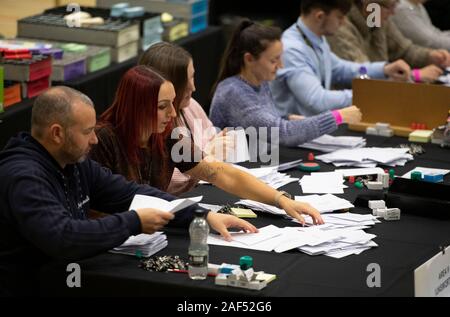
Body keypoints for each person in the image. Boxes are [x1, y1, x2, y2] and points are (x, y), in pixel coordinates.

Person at [0, 86, 257, 296]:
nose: (94, 140)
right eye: (87, 132)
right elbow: (64, 238)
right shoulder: (25, 177)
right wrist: (133, 222)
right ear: (57, 133)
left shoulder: (71, 162)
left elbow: (128, 193)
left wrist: (200, 215)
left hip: (65, 279)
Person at [89, 66, 324, 228]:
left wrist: (282, 200)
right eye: (163, 106)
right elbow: (98, 211)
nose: (172, 113)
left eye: (172, 104)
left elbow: (221, 174)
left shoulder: (167, 134)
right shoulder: (102, 140)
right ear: (136, 106)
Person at [209, 19, 362, 147]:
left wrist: (285, 117)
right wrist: (338, 116)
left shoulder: (259, 81)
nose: (281, 66)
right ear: (249, 59)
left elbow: (259, 120)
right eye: (273, 60)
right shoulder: (234, 92)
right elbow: (282, 133)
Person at [269, 0, 412, 117]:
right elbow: (317, 100)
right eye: (339, 17)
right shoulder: (292, 49)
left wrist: (384, 69)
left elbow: (341, 69)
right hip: (292, 136)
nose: (343, 22)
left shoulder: (315, 38)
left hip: (312, 129)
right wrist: (370, 92)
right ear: (319, 16)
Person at [138, 42, 233, 195]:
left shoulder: (190, 106)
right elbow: (169, 184)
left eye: (193, 77)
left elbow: (213, 138)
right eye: (185, 82)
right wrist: (209, 155)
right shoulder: (153, 125)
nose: (193, 87)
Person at [327, 0, 449, 83]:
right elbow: (363, 75)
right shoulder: (341, 28)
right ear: (368, 4)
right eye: (390, 6)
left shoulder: (375, 20)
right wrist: (414, 76)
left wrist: (430, 56)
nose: (393, 12)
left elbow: (404, 50)